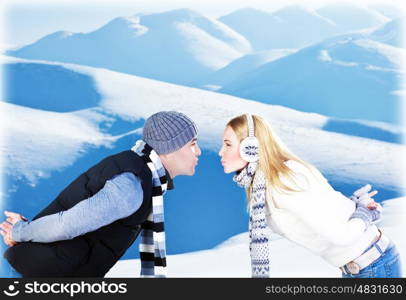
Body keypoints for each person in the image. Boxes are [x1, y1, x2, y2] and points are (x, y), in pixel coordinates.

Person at [0, 111, 201, 278]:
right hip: (40, 274)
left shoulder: (144, 175)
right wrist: (19, 232)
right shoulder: (131, 186)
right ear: (169, 149)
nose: (198, 151)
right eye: (192, 143)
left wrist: (23, 231)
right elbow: (67, 224)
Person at [218, 113, 402, 278]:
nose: (221, 152)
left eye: (228, 144)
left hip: (373, 268)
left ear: (250, 147)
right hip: (365, 267)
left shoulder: (283, 182)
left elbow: (341, 236)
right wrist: (355, 206)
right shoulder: (270, 183)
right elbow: (324, 206)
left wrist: (364, 214)